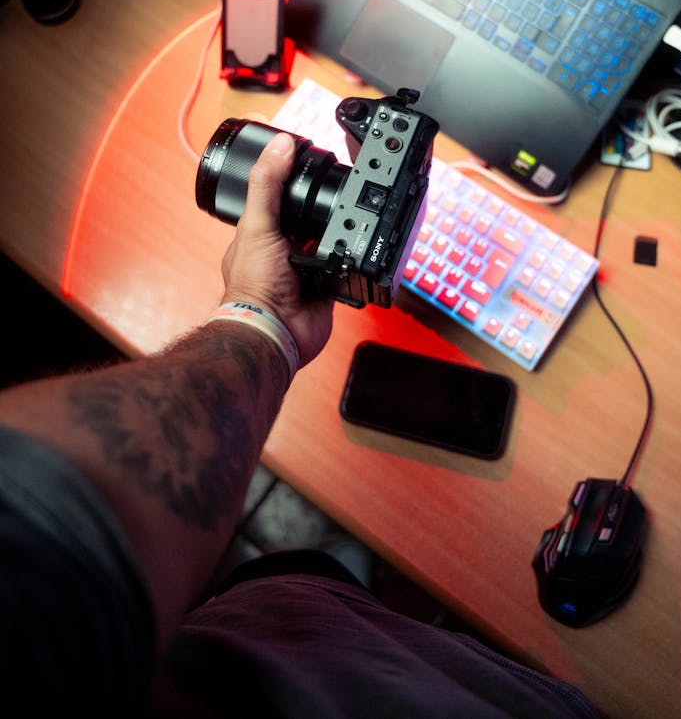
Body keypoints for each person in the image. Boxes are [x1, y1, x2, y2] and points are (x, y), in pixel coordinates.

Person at [0, 132, 599, 718]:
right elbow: (47, 503)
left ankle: (331, 588)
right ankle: (335, 590)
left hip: (270, 638)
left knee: (303, 580)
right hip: (393, 686)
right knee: (318, 593)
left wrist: (272, 317)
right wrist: (259, 318)